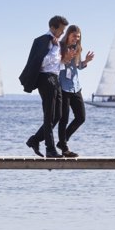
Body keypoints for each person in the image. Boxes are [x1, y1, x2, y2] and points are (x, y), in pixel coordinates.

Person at [19, 15, 73, 158]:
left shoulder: (57, 43)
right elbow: (39, 63)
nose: (62, 33)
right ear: (52, 28)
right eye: (61, 30)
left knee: (58, 115)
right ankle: (50, 149)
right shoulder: (43, 41)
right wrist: (54, 48)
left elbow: (57, 63)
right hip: (45, 79)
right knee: (49, 116)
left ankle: (34, 140)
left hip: (56, 78)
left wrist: (65, 58)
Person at [57, 25, 95, 157]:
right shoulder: (60, 46)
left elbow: (78, 66)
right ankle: (64, 147)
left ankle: (63, 140)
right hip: (63, 87)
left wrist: (86, 61)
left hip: (75, 86)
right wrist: (67, 57)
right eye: (74, 36)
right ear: (68, 35)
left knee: (81, 117)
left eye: (78, 37)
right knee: (64, 118)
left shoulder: (77, 48)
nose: (76, 39)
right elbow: (58, 64)